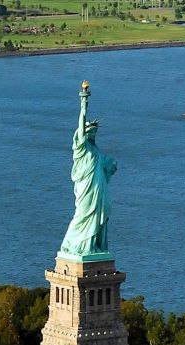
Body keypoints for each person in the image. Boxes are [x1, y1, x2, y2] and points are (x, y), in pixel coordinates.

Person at [59, 81, 118, 258]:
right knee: (83, 215)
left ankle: (94, 247)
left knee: (101, 214)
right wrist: (84, 102)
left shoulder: (96, 151)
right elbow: (81, 123)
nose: (92, 134)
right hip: (86, 189)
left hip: (98, 190)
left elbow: (105, 169)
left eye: (94, 132)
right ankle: (74, 244)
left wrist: (110, 167)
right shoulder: (81, 148)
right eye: (89, 132)